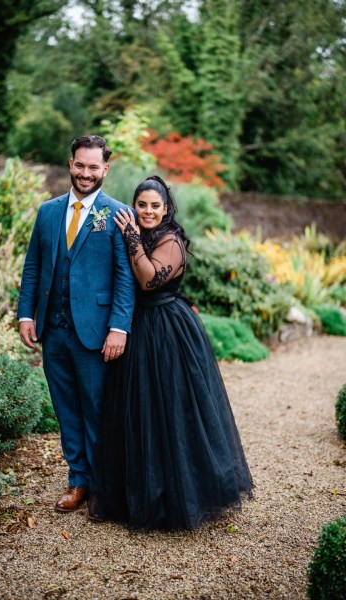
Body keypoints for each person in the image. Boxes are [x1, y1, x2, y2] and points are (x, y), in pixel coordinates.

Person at [88, 175, 253, 530]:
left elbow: (148, 280)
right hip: (133, 327)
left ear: (166, 209)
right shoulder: (135, 230)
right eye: (142, 204)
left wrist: (131, 235)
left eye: (154, 206)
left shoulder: (170, 240)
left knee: (170, 411)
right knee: (134, 411)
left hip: (166, 329)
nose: (147, 211)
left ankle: (175, 496)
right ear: (135, 205)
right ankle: (132, 493)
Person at [17, 135, 135, 512]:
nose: (86, 173)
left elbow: (124, 276)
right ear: (70, 164)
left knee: (97, 408)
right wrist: (25, 314)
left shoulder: (116, 214)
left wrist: (119, 327)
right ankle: (78, 480)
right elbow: (33, 265)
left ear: (105, 169)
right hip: (53, 330)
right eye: (80, 165)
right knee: (65, 407)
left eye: (93, 167)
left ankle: (103, 485)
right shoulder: (47, 212)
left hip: (96, 332)